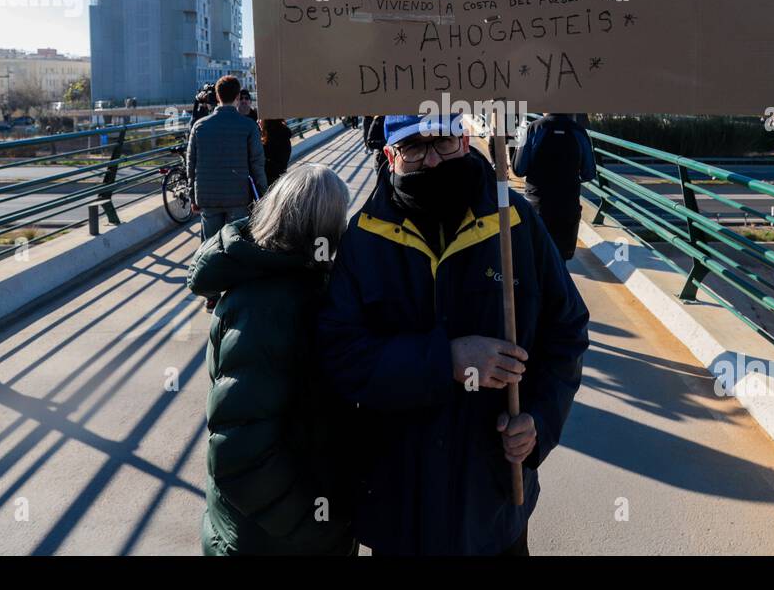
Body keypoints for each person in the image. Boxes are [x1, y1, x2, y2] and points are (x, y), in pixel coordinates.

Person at [317, 112, 590, 555]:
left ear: (466, 140)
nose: (433, 161)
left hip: (495, 503)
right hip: (400, 507)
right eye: (413, 149)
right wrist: (446, 360)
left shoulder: (514, 222)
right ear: (390, 156)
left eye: (444, 142)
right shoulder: (363, 239)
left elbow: (568, 329)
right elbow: (340, 355)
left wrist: (540, 421)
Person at [188, 162, 357, 556]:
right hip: (271, 541)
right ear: (325, 230)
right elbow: (239, 451)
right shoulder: (273, 308)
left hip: (254, 529)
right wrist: (310, 527)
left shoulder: (266, 282)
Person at [187, 75, 269, 309]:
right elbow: (257, 164)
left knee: (209, 244)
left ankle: (211, 294)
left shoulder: (199, 126)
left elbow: (190, 164)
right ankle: (236, 291)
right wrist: (262, 197)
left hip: (208, 198)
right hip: (238, 197)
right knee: (237, 244)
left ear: (217, 96)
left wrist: (194, 197)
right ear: (236, 96)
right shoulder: (248, 126)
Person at [512, 113, 596, 261]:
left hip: (537, 207)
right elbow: (589, 173)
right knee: (560, 261)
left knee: (536, 259)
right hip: (567, 208)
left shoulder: (533, 129)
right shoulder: (579, 131)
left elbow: (518, 169)